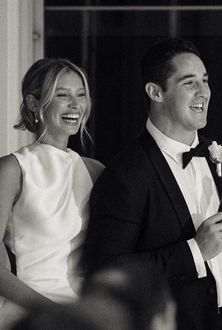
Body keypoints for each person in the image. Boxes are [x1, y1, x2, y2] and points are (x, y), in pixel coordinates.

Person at [82, 37, 222, 330]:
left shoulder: (220, 158)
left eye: (205, 80)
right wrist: (194, 251)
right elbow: (107, 271)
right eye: (189, 82)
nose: (204, 91)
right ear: (155, 92)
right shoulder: (126, 174)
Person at [0, 58, 104, 328]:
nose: (75, 104)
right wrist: (57, 315)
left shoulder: (95, 171)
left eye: (81, 95)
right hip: (29, 314)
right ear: (35, 104)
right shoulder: (13, 168)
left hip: (86, 314)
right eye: (62, 95)